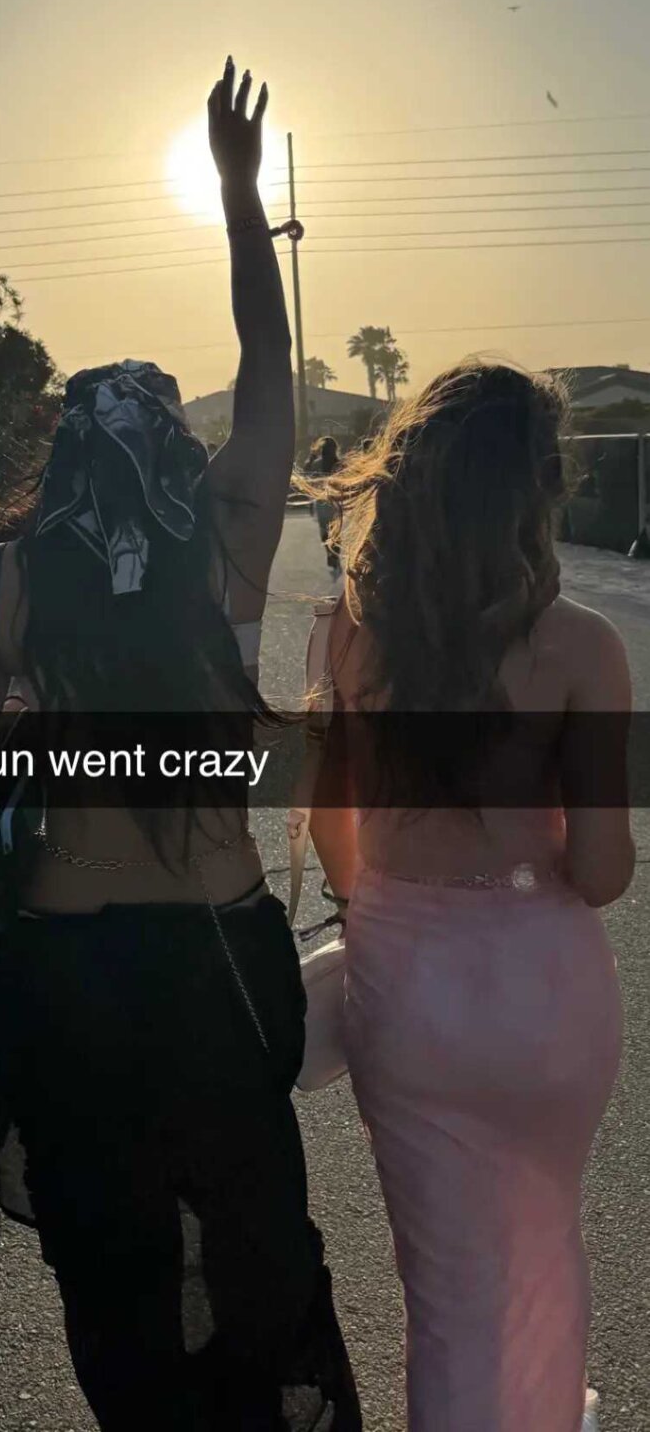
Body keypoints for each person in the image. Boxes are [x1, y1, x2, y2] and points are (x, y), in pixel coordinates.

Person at [0, 58, 361, 1431]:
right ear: (176, 457)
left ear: (58, 466)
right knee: (259, 1257)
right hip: (214, 960)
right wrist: (239, 195)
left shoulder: (0, 588)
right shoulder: (217, 548)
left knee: (111, 1274)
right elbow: (268, 374)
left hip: (60, 968)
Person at [298, 359, 634, 1432]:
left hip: (406, 984)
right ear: (539, 487)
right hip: (543, 993)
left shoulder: (348, 631)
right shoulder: (583, 647)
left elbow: (329, 826)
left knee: (446, 1288)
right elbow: (601, 871)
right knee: (540, 1239)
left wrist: (380, 917)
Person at [304, 435, 341, 570]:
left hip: (321, 501)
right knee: (336, 530)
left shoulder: (316, 464)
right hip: (336, 501)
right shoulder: (339, 464)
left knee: (324, 530)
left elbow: (310, 481)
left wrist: (310, 502)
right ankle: (335, 554)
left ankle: (329, 552)